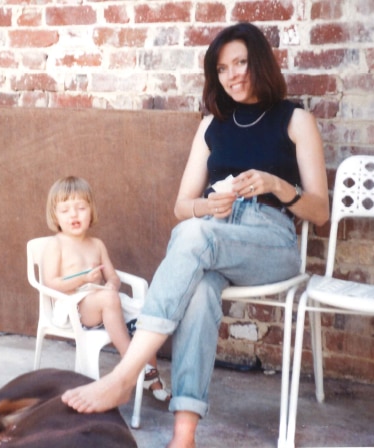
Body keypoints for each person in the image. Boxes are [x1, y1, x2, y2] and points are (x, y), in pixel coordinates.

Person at [61, 22, 330, 448]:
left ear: (258, 61)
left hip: (270, 242)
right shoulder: (211, 125)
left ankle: (125, 374)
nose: (233, 75)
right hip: (215, 232)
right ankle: (183, 436)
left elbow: (320, 212)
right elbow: (182, 206)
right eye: (222, 69)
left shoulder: (295, 119)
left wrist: (277, 186)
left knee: (191, 237)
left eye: (241, 62)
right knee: (201, 287)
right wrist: (208, 206)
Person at [42, 175, 170, 402]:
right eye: (65, 210)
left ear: (91, 211)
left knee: (146, 315)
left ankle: (152, 376)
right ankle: (130, 361)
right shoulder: (56, 244)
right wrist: (81, 281)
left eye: (81, 208)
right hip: (76, 306)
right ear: (55, 216)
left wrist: (111, 284)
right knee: (109, 299)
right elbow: (50, 282)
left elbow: (112, 276)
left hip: (103, 302)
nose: (74, 214)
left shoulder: (97, 244)